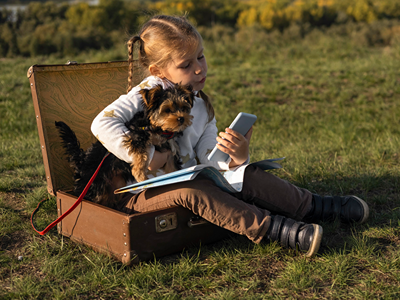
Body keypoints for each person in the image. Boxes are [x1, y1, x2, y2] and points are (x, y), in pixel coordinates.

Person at [91, 15, 369, 257]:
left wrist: (236, 157)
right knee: (194, 191)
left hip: (187, 179)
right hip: (139, 193)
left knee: (246, 175)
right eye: (186, 65)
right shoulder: (147, 94)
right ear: (158, 71)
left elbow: (208, 158)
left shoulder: (199, 103)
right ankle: (277, 230)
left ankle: (314, 206)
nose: (199, 68)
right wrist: (150, 156)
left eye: (200, 57)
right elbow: (101, 125)